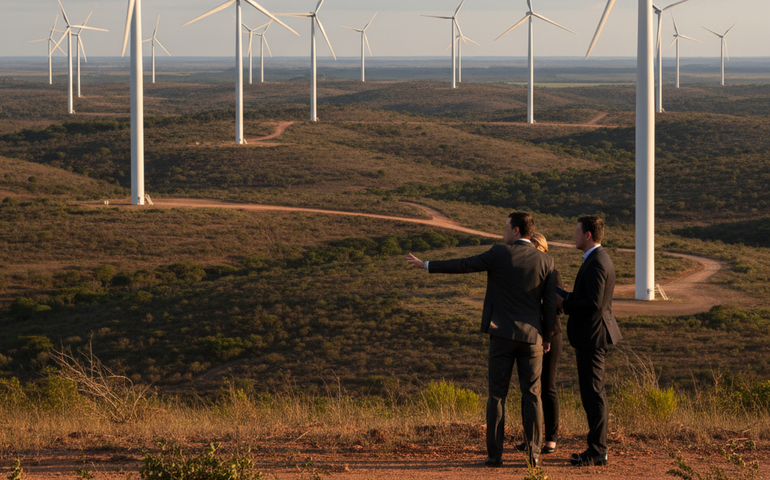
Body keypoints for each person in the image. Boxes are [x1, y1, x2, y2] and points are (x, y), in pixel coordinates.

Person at [406, 212, 557, 468]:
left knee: (497, 395)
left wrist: (427, 265)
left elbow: (464, 264)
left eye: (506, 227)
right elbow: (550, 306)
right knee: (533, 395)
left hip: (501, 336)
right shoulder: (546, 261)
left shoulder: (499, 253)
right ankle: (534, 456)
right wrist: (547, 336)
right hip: (533, 338)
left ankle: (495, 455)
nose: (503, 231)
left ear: (517, 230)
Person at [556, 215, 622, 467]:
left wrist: (565, 304)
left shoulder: (595, 262)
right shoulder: (598, 259)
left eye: (576, 232)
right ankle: (595, 448)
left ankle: (597, 450)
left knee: (594, 394)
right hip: (592, 335)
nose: (573, 236)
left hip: (592, 336)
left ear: (587, 235)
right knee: (593, 393)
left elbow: (593, 304)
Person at [515, 233, 563, 456]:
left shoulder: (553, 272)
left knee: (548, 386)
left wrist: (548, 333)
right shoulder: (525, 273)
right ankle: (530, 438)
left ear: (542, 249)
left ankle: (551, 439)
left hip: (550, 334)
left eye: (533, 248)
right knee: (528, 388)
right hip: (529, 334)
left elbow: (559, 307)